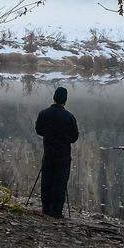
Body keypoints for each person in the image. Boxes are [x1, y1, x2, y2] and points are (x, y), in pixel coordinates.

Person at [35, 86, 79, 218]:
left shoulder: (43, 113)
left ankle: (46, 208)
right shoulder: (69, 117)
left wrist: (49, 135)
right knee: (60, 182)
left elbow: (38, 130)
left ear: (54, 98)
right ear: (65, 101)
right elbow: (74, 138)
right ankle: (57, 211)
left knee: (47, 180)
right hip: (63, 155)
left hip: (48, 153)